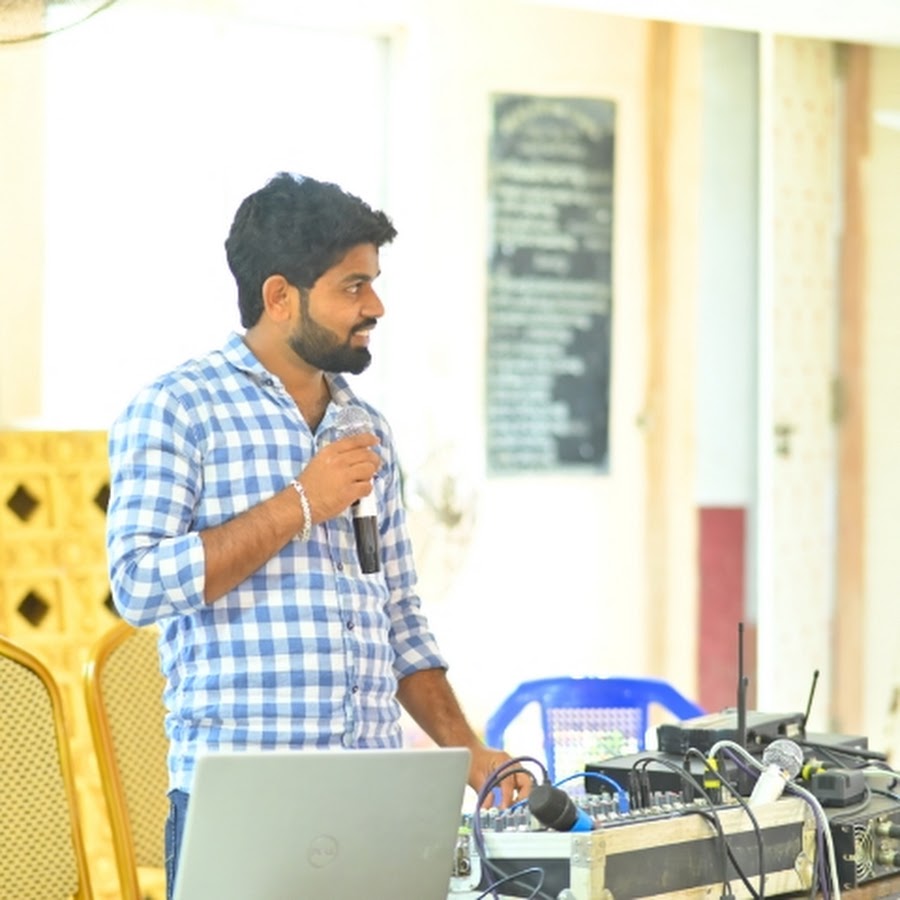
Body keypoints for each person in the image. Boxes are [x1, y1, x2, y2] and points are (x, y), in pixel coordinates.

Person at [105, 172, 530, 897]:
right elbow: (138, 585)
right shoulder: (177, 409)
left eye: (373, 284)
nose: (375, 307)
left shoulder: (366, 427)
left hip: (373, 801)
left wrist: (471, 752)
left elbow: (399, 619)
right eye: (352, 287)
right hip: (244, 804)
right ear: (280, 296)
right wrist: (301, 503)